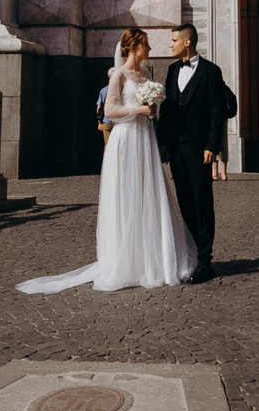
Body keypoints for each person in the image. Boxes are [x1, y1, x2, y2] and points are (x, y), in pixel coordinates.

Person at [16, 29, 196, 293]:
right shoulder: (119, 76)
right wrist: (138, 110)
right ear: (133, 48)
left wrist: (152, 112)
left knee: (149, 193)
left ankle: (153, 257)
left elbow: (147, 110)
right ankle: (127, 259)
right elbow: (109, 110)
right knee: (127, 195)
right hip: (125, 140)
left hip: (144, 138)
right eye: (145, 44)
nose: (149, 48)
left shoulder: (146, 75)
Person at [154, 21, 237, 282]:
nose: (170, 44)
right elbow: (167, 109)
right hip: (176, 148)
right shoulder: (170, 70)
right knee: (185, 202)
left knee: (202, 202)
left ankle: (205, 260)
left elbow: (217, 111)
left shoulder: (211, 71)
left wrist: (212, 146)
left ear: (187, 42)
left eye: (174, 40)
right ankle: (190, 254)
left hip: (200, 150)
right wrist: (164, 142)